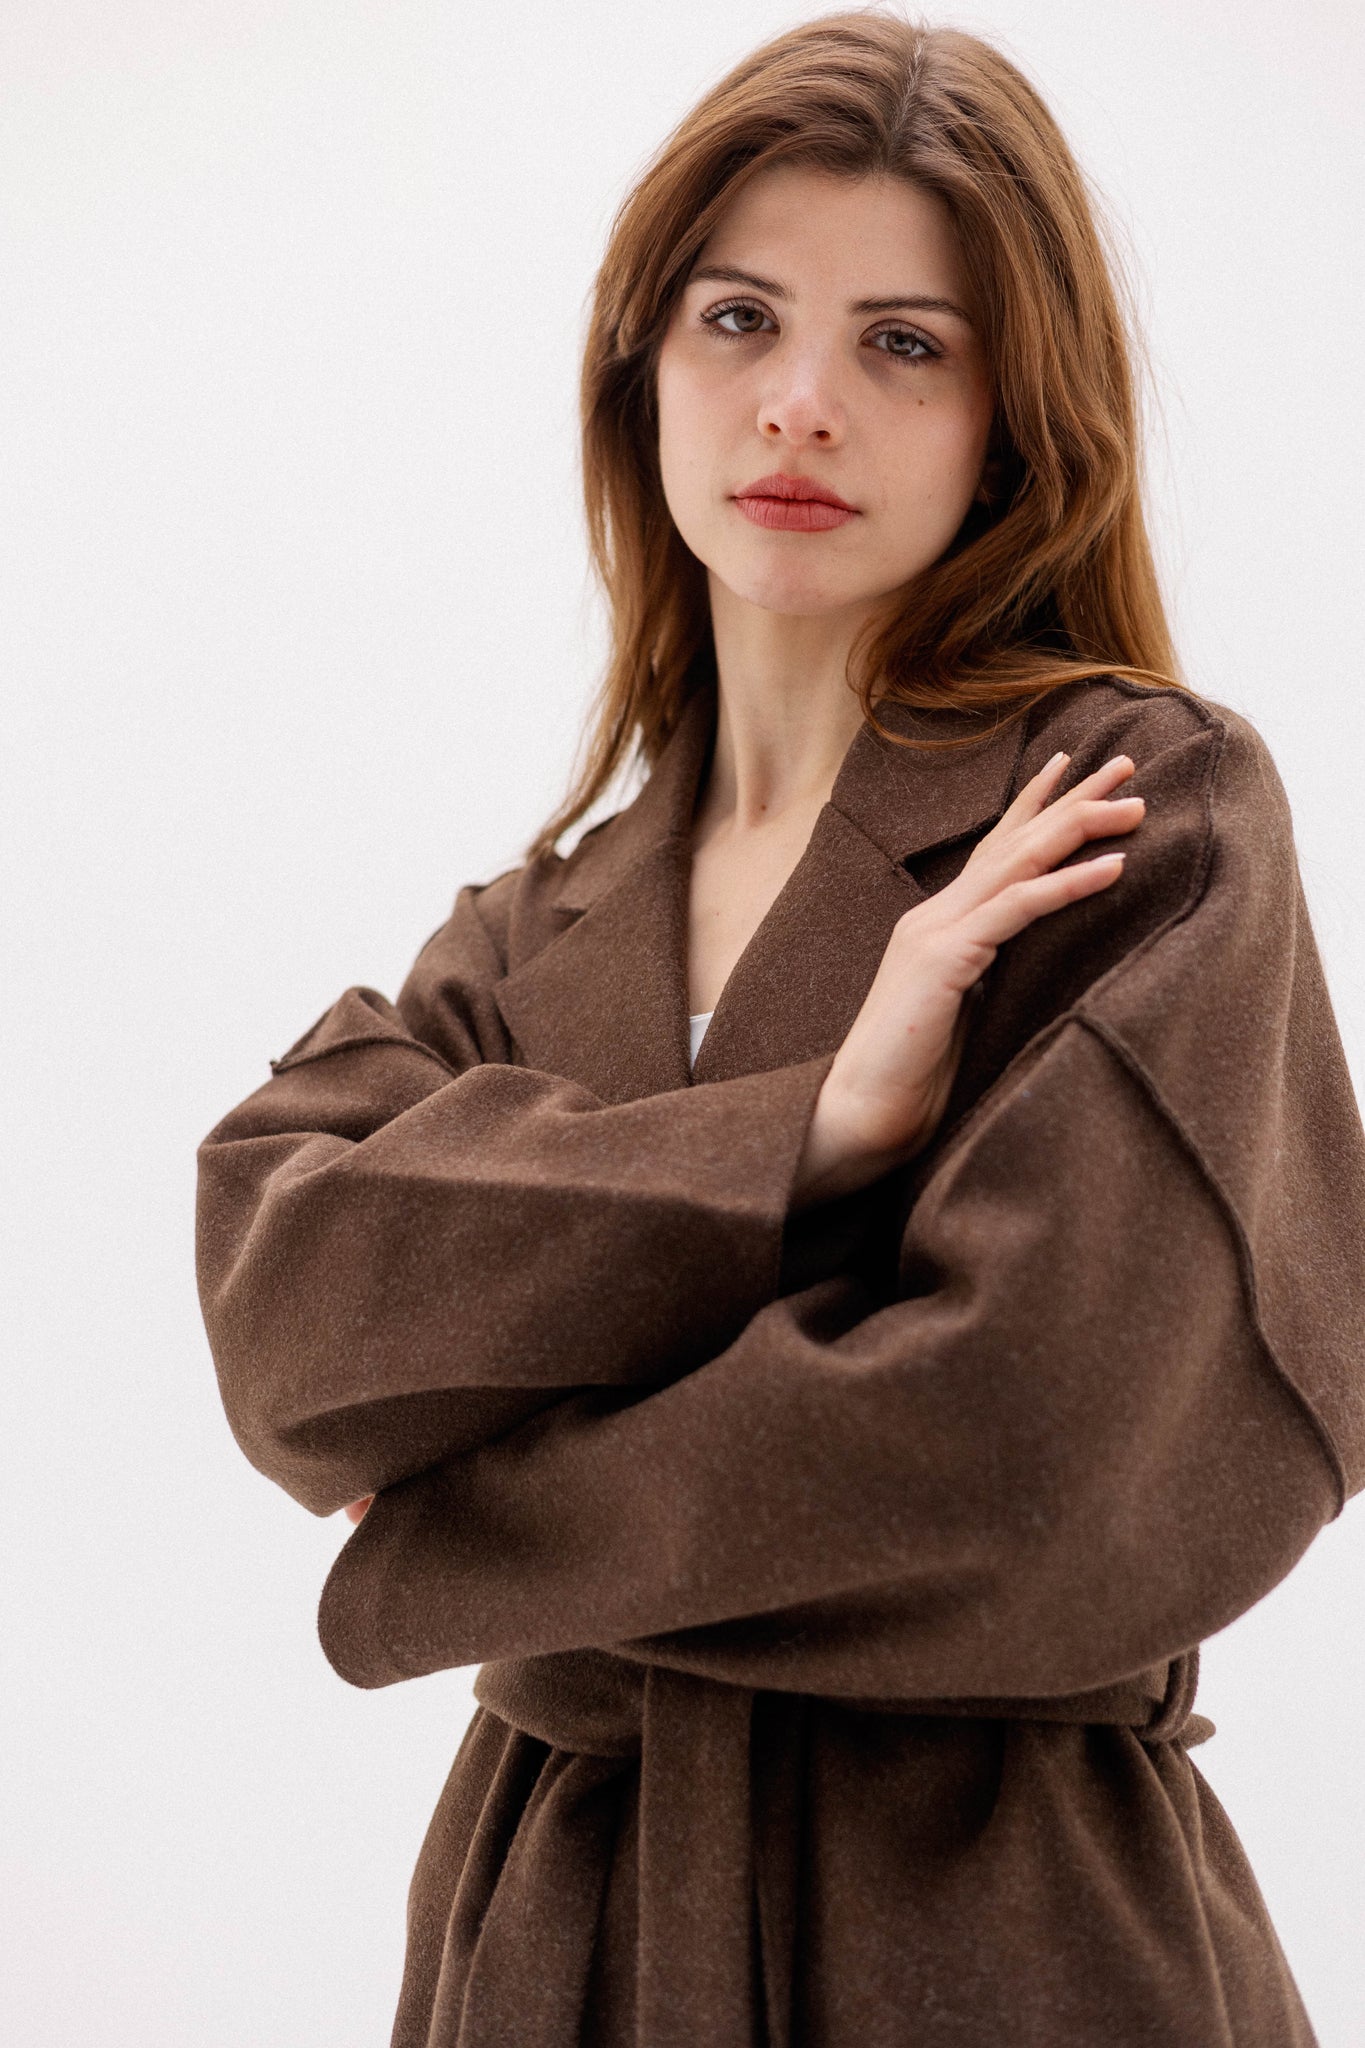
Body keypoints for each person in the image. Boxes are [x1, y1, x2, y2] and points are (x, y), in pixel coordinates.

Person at [194, 13, 1365, 2045]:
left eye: (902, 343)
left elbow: (1025, 1455)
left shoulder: (1129, 814)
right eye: (738, 318)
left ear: (1012, 417)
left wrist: (454, 1533)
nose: (800, 404)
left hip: (1000, 1938)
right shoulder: (534, 924)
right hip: (548, 1944)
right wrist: (812, 1137)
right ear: (640, 367)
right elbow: (289, 1307)